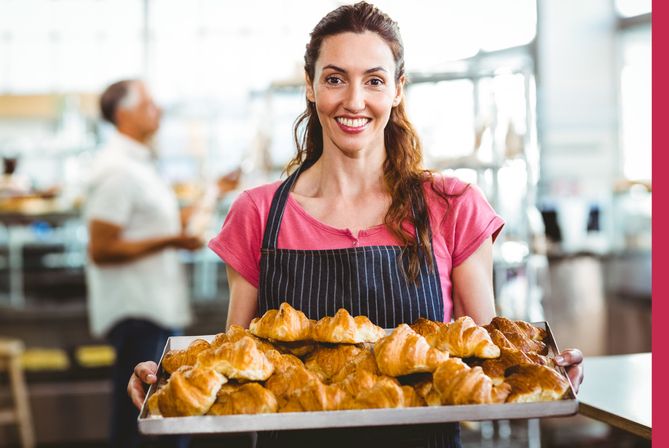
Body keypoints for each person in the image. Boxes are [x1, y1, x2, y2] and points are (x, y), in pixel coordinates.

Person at [126, 3, 583, 446]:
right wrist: (166, 381)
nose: (354, 101)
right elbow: (234, 361)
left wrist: (542, 369)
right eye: (335, 79)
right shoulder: (259, 213)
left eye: (375, 81)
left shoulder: (452, 206)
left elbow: (485, 358)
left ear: (398, 90)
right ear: (310, 86)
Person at [86, 79, 202, 448]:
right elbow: (101, 247)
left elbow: (158, 226)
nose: (159, 110)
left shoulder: (141, 162)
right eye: (150, 104)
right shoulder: (117, 169)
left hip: (156, 306)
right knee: (140, 419)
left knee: (160, 415)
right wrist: (173, 241)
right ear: (123, 114)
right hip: (138, 311)